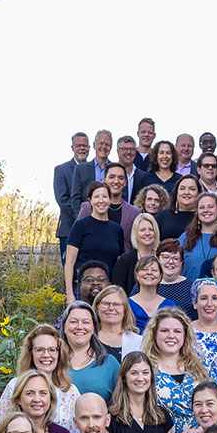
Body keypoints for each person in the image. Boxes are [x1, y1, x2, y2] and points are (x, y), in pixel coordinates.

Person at [0, 327, 80, 426]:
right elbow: (0, 430)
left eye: (52, 350)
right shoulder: (14, 386)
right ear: (31, 353)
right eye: (39, 350)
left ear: (59, 354)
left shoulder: (70, 392)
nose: (46, 355)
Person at [146, 307, 211, 433]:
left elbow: (216, 405)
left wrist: (200, 430)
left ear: (185, 335)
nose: (171, 336)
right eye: (164, 330)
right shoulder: (145, 368)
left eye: (177, 331)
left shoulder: (200, 366)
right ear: (154, 334)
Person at [64, 181, 126, 301]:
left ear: (110, 199)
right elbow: (69, 262)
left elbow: (118, 263)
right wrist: (69, 294)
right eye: (96, 197)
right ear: (90, 200)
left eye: (104, 196)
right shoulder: (80, 225)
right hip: (82, 288)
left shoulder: (117, 229)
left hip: (106, 288)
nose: (101, 200)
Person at [61, 302, 121, 398]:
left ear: (93, 328)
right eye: (73, 322)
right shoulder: (52, 361)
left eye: (86, 322)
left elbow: (121, 403)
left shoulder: (109, 363)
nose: (80, 327)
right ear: (64, 326)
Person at [53, 132, 91, 262]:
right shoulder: (61, 170)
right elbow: (62, 201)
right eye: (78, 145)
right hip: (68, 229)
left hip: (91, 231)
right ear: (72, 147)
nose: (82, 148)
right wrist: (83, 216)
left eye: (85, 146)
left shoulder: (93, 169)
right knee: (70, 270)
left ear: (89, 148)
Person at [111, 211, 163, 303]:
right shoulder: (125, 260)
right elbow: (117, 291)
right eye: (142, 230)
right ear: (135, 233)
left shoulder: (162, 259)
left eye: (151, 229)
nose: (147, 233)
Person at [92, 284, 142, 360]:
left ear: (125, 310)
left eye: (116, 304)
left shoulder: (138, 342)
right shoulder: (88, 337)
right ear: (97, 307)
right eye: (106, 304)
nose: (111, 308)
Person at [180, 197, 217, 279]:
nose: (206, 210)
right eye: (202, 207)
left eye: (210, 207)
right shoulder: (185, 237)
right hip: (189, 290)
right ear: (197, 212)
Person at [126, 252, 168, 332]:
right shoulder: (126, 305)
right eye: (144, 269)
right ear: (137, 275)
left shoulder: (170, 306)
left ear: (160, 276)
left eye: (154, 270)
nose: (149, 273)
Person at [155, 238, 193, 310]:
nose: (170, 262)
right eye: (166, 257)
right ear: (157, 258)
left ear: (181, 262)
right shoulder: (146, 284)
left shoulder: (192, 287)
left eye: (176, 258)